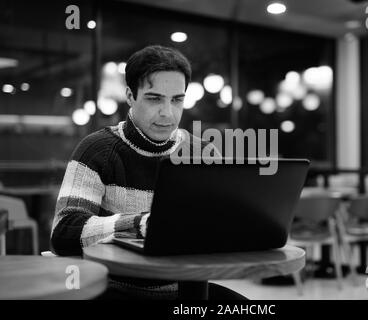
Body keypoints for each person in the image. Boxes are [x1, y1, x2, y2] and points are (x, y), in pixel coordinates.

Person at [50, 45, 246, 300]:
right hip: (117, 290)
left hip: (190, 288)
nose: (168, 113)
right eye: (154, 99)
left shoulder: (203, 153)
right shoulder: (96, 150)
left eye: (177, 99)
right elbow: (64, 232)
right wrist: (140, 224)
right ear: (130, 96)